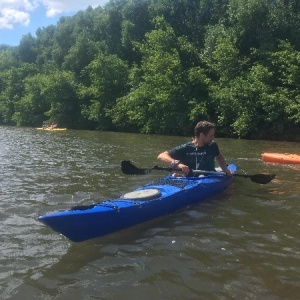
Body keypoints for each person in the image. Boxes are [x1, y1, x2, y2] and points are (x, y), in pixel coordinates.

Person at [157, 120, 232, 176]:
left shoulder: (212, 145)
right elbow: (161, 156)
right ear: (202, 135)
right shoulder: (186, 148)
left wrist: (226, 170)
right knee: (175, 175)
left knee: (202, 176)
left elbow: (219, 157)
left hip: (209, 179)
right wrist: (178, 164)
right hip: (190, 180)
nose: (213, 138)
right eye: (211, 135)